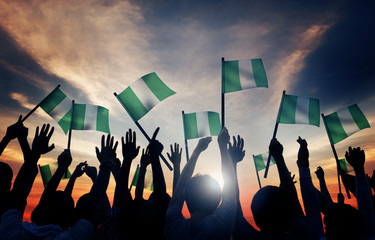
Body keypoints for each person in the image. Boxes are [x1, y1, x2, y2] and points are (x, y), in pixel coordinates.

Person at [165, 127, 237, 240]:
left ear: (186, 198)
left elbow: (178, 193)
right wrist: (223, 147)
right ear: (217, 199)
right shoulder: (220, 227)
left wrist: (197, 151)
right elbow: (230, 186)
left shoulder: (174, 227)